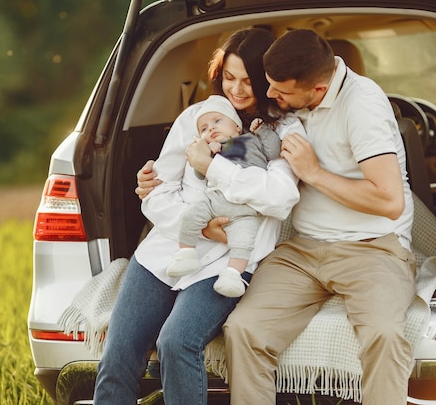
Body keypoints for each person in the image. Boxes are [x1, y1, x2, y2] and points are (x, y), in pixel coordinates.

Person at [93, 27, 302, 405]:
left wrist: (213, 167)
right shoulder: (197, 117)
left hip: (229, 261)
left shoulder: (281, 132)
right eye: (229, 78)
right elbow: (157, 192)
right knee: (118, 354)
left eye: (248, 81)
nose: (236, 90)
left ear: (267, 81)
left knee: (176, 342)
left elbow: (279, 197)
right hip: (168, 250)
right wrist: (198, 224)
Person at [220, 29, 416, 405]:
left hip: (372, 249)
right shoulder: (287, 100)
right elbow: (242, 148)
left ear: (318, 91)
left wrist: (314, 174)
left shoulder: (363, 105)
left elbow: (390, 200)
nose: (270, 96)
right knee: (243, 329)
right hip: (302, 251)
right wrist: (174, 175)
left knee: (384, 334)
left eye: (280, 91)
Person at [167, 94, 284, 297]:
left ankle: (232, 275)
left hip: (245, 208)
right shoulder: (214, 150)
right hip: (214, 200)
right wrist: (205, 155)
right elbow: (200, 175)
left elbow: (274, 152)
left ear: (237, 126)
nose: (210, 128)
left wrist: (262, 130)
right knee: (190, 216)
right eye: (204, 128)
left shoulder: (251, 140)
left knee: (243, 242)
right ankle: (186, 253)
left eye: (217, 121)